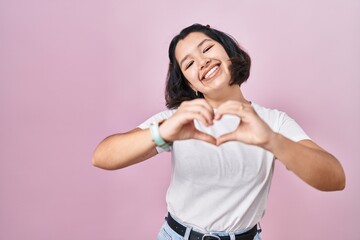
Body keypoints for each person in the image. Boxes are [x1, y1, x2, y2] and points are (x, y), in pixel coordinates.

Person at [92, 23, 346, 240]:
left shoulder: (273, 121)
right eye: (189, 63)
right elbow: (102, 157)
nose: (202, 61)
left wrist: (272, 140)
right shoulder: (178, 121)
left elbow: (335, 178)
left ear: (228, 51)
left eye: (207, 48)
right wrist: (162, 132)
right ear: (188, 83)